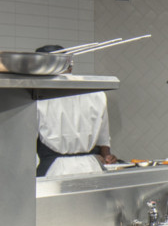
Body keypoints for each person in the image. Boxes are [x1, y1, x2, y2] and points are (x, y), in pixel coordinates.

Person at [33, 44, 118, 176]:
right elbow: (104, 140)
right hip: (92, 167)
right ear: (70, 66)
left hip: (54, 171)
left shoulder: (37, 96)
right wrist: (107, 157)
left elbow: (28, 142)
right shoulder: (96, 93)